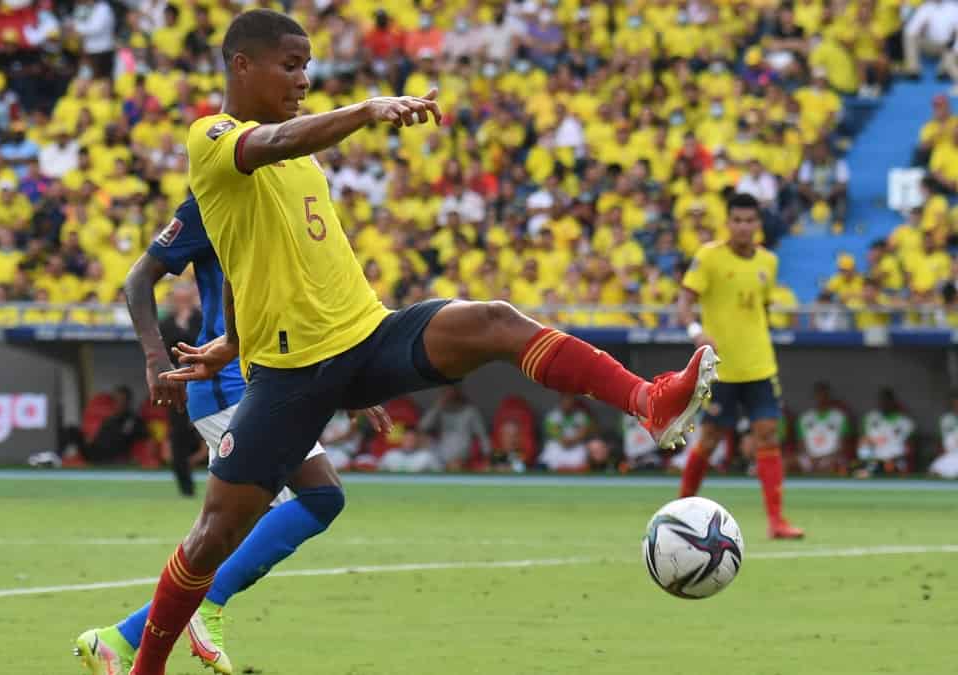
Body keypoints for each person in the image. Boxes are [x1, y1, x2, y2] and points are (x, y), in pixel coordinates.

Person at [129, 11, 717, 674]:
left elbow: (254, 257)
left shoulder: (300, 158)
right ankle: (144, 664)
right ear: (242, 65)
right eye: (290, 65)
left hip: (365, 335)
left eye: (307, 65)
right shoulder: (212, 137)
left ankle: (649, 399)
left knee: (492, 319)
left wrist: (234, 340)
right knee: (213, 536)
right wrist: (367, 107)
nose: (303, 78)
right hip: (292, 373)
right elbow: (269, 154)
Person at [74, 197, 388, 675]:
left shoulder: (288, 198)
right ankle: (205, 604)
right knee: (318, 496)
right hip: (229, 383)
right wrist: (156, 359)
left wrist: (345, 379)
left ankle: (119, 639)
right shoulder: (217, 199)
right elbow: (138, 278)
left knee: (233, 528)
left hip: (273, 378)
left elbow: (302, 302)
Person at [677, 192, 804, 540]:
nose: (744, 227)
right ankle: (678, 511)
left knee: (767, 436)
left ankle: (777, 521)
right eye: (738, 220)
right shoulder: (709, 257)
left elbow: (760, 310)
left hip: (760, 366)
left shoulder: (768, 262)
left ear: (758, 225)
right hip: (721, 369)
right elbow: (684, 302)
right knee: (710, 439)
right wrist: (695, 330)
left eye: (750, 221)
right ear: (728, 223)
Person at [158, 282, 204, 497]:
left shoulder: (202, 319)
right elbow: (160, 353)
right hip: (176, 381)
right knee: (178, 433)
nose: (182, 299)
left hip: (203, 379)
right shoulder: (166, 323)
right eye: (179, 295)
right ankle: (185, 486)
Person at [418, 385, 490, 470]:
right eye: (447, 392)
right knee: (422, 439)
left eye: (452, 391)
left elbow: (482, 435)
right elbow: (422, 426)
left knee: (455, 464)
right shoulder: (440, 409)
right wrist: (437, 406)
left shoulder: (470, 411)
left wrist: (488, 454)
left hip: (461, 454)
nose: (450, 394)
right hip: (441, 452)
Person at [796, 381, 852, 475]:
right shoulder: (804, 418)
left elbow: (843, 445)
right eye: (819, 394)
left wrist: (826, 457)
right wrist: (811, 457)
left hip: (832, 457)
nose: (821, 398)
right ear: (814, 396)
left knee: (837, 463)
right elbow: (800, 444)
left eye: (824, 394)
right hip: (809, 457)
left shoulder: (839, 417)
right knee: (787, 462)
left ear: (829, 396)